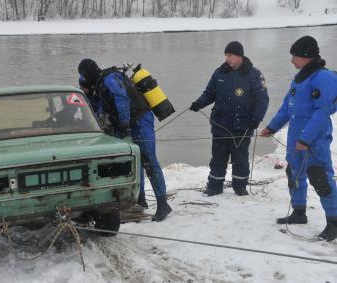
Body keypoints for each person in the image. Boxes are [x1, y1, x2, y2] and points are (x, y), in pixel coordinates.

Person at [260, 36, 337, 241]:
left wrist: (306, 139)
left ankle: (333, 222)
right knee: (294, 174)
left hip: (314, 139)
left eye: (294, 56)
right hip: (296, 137)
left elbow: (322, 111)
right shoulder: (299, 77)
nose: (291, 60)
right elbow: (287, 106)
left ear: (305, 56)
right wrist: (272, 127)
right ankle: (299, 212)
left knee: (320, 177)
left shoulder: (323, 77)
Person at [78, 58, 172, 222]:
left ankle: (163, 204)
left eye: (84, 77)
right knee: (135, 163)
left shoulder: (110, 78)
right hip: (127, 125)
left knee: (149, 162)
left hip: (140, 121)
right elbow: (100, 107)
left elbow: (122, 99)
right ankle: (139, 200)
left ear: (89, 73)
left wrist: (124, 125)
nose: (84, 81)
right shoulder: (99, 85)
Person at [189, 41, 269, 196]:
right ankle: (214, 186)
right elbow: (209, 93)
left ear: (240, 56)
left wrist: (256, 120)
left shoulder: (254, 75)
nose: (227, 59)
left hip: (243, 125)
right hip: (220, 124)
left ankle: (240, 186)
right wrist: (199, 103)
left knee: (240, 158)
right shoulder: (219, 73)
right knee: (218, 157)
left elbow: (262, 99)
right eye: (226, 55)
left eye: (230, 55)